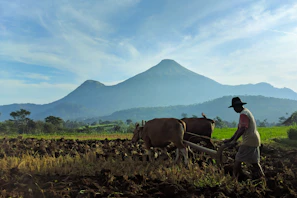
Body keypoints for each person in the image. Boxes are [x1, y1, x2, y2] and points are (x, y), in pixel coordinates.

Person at [224, 97, 265, 180]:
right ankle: (262, 178)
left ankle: (234, 179)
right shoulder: (246, 112)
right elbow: (239, 129)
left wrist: (234, 141)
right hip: (255, 140)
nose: (234, 110)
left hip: (248, 141)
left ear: (237, 107)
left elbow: (242, 129)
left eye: (234, 108)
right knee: (255, 163)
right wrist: (231, 139)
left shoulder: (243, 114)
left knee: (238, 160)